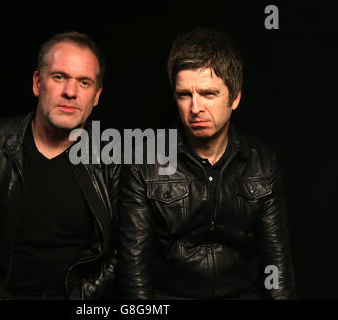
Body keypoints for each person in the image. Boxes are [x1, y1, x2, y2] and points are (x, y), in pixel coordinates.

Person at [117, 27, 296, 299]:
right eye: (184, 95)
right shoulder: (143, 163)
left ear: (234, 98)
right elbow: (134, 269)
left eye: (209, 94)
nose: (196, 108)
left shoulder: (261, 162)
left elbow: (276, 261)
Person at [0, 31, 120, 300]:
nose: (70, 92)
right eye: (59, 77)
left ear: (96, 95)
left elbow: (124, 250)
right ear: (38, 83)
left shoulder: (113, 160)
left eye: (84, 83)